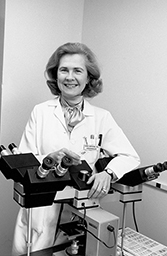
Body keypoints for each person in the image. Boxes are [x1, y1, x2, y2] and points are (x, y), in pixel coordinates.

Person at [12, 42, 140, 255]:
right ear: (56, 75)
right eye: (64, 70)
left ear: (89, 77)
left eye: (77, 71)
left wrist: (107, 173)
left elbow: (130, 156)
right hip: (41, 212)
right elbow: (25, 158)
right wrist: (49, 158)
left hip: (82, 212)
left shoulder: (101, 117)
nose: (69, 77)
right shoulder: (41, 112)